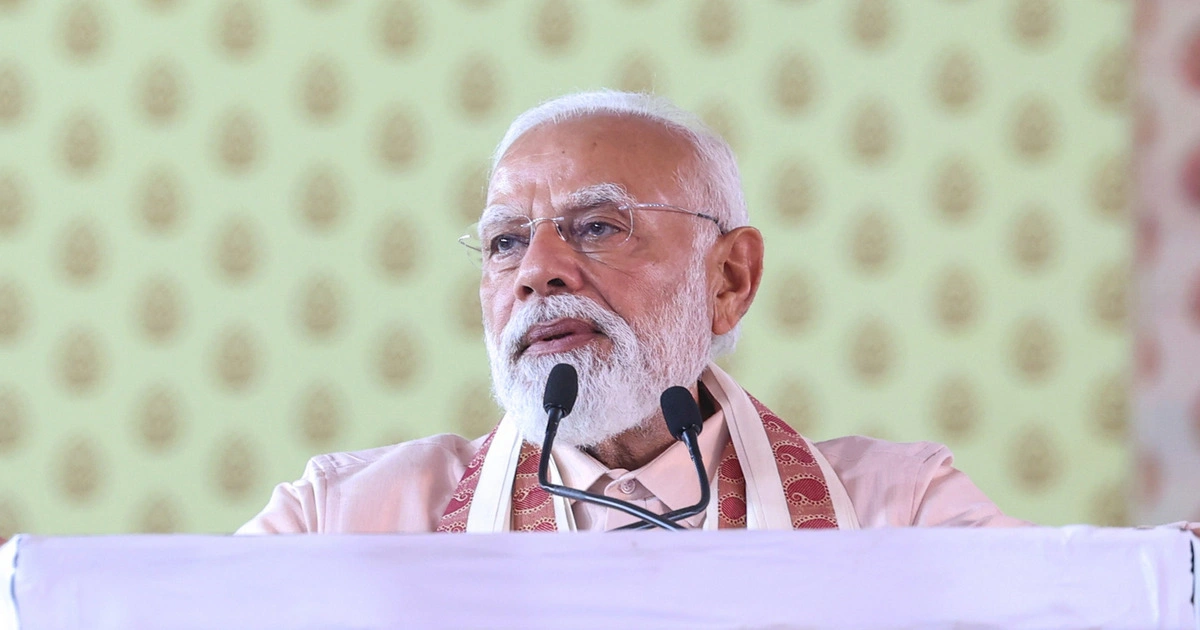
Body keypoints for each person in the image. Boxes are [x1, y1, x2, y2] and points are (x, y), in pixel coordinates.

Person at [238, 91, 1027, 534]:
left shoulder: (905, 515)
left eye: (597, 227)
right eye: (506, 242)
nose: (538, 274)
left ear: (730, 277)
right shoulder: (339, 523)